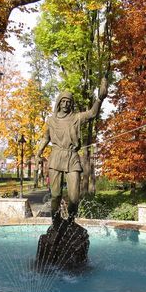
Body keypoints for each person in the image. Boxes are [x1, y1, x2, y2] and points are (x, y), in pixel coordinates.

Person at [36, 79, 107, 221]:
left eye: (69, 102)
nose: (66, 104)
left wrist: (100, 98)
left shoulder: (76, 118)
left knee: (74, 197)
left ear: (71, 104)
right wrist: (38, 153)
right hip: (56, 157)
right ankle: (56, 222)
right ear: (59, 103)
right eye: (63, 101)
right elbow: (45, 138)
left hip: (72, 157)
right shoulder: (51, 120)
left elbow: (92, 113)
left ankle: (70, 222)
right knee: (55, 195)